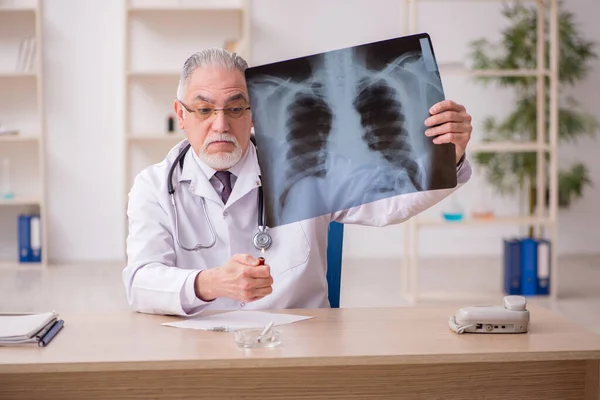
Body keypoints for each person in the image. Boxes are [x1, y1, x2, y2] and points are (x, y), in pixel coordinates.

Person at [123, 48, 473, 316]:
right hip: (200, 351)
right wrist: (209, 283)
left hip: (299, 345)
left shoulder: (310, 167)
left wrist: (448, 155)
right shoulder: (154, 186)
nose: (220, 125)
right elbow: (140, 283)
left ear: (254, 112)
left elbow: (391, 204)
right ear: (180, 115)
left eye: (235, 108)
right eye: (203, 109)